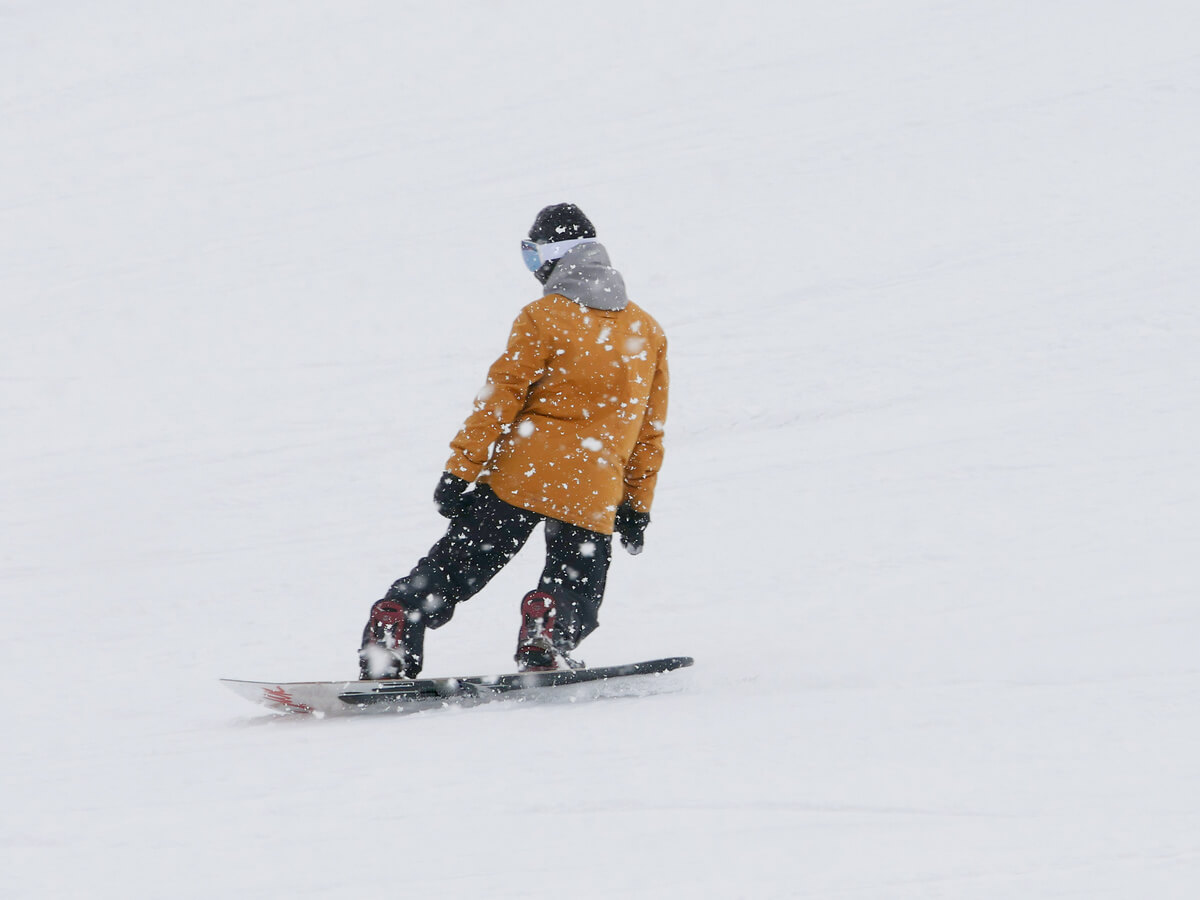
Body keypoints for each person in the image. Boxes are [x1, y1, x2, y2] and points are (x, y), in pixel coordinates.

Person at [358, 203, 669, 679]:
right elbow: (648, 430)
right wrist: (636, 504)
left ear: (555, 256)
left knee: (457, 564)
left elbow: (500, 397)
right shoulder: (646, 331)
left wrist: (460, 468)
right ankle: (549, 627)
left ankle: (397, 625)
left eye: (532, 256)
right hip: (592, 484)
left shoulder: (542, 316)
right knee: (577, 581)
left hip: (521, 472)